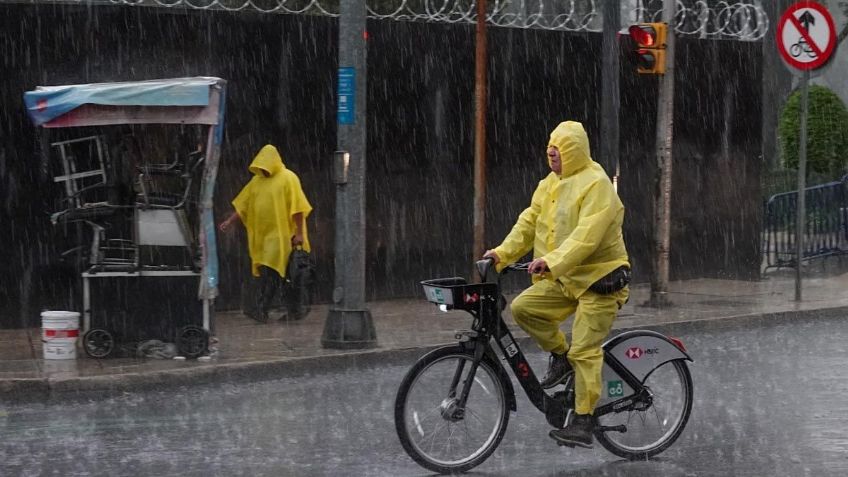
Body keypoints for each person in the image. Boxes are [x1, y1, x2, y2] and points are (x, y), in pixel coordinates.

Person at [483, 121, 631, 449]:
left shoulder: (597, 184)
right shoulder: (549, 184)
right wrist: (502, 254)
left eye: (559, 153)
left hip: (600, 280)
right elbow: (529, 221)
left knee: (585, 350)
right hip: (565, 278)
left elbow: (586, 237)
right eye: (550, 152)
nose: (552, 158)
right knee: (524, 308)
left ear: (574, 152)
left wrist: (552, 261)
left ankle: (583, 420)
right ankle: (560, 356)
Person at [219, 144, 313, 323]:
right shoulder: (256, 181)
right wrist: (230, 221)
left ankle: (267, 309)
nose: (263, 170)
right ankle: (282, 310)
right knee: (275, 274)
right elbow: (244, 204)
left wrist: (299, 233)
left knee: (284, 275)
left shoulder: (288, 178)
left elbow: (298, 208)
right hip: (264, 239)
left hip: (285, 237)